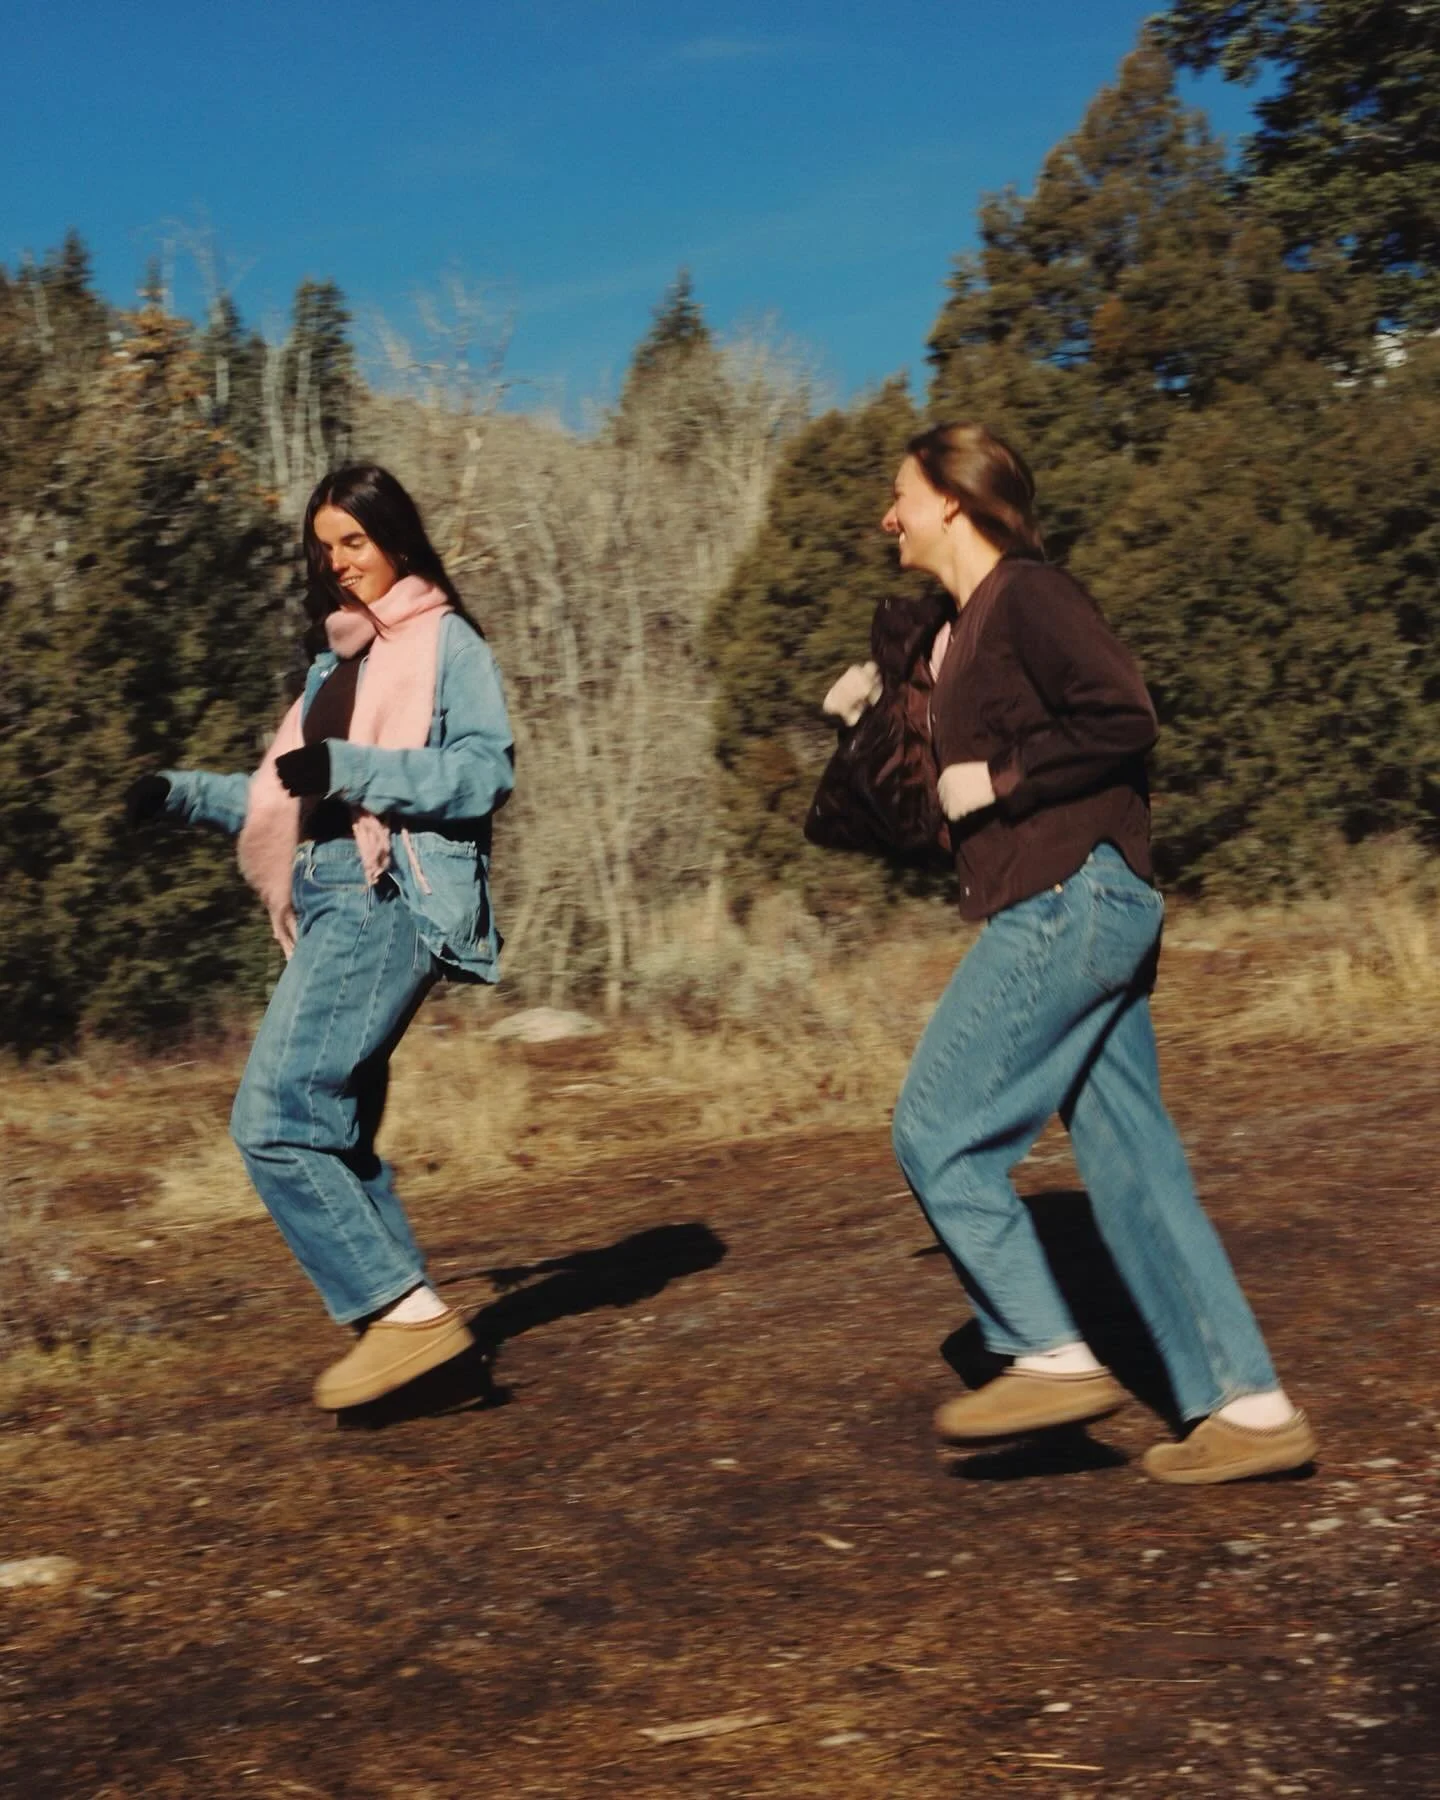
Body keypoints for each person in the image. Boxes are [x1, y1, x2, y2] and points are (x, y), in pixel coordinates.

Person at [821, 423, 1314, 1484]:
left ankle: (1046, 1351)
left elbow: (1124, 716)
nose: (886, 516)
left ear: (953, 498)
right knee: (1133, 1164)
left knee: (937, 1130)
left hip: (1071, 899)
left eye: (899, 494)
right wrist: (871, 718)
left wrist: (1000, 779)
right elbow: (919, 818)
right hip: (1078, 902)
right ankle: (1251, 1408)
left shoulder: (1031, 595)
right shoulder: (958, 634)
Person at [125, 464, 515, 1412]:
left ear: (397, 540)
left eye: (355, 541)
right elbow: (283, 796)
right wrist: (177, 793)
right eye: (325, 546)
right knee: (335, 1137)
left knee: (276, 1118)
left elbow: (481, 772)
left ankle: (409, 1320)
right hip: (328, 898)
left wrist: (349, 765)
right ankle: (429, 1346)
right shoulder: (334, 666)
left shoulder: (446, 642)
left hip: (390, 897)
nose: (339, 563)